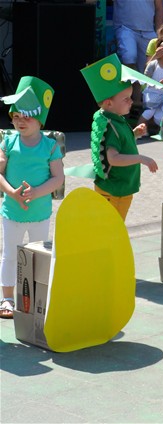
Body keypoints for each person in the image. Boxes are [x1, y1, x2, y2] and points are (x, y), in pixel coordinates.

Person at [0, 77, 64, 319]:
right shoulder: (8, 142)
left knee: (39, 256)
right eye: (16, 116)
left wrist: (37, 192)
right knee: (10, 255)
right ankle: (6, 298)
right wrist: (11, 192)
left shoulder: (49, 146)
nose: (19, 121)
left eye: (26, 116)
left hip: (40, 214)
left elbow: (58, 178)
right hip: (12, 212)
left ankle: (39, 297)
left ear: (40, 119)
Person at [81, 54, 159, 220]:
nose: (131, 102)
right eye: (126, 99)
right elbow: (114, 158)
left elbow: (121, 143)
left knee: (114, 229)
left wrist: (134, 134)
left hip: (121, 188)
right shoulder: (111, 125)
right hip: (113, 190)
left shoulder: (116, 119)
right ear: (109, 103)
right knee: (109, 231)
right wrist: (141, 158)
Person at [113, 0, 163, 73]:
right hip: (125, 28)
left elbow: (159, 8)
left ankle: (137, 84)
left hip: (148, 30)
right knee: (128, 57)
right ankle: (130, 84)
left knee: (147, 68)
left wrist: (159, 34)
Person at [140, 39, 163, 127]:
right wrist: (156, 83)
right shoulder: (153, 64)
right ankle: (139, 127)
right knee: (149, 112)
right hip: (152, 93)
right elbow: (146, 77)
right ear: (162, 53)